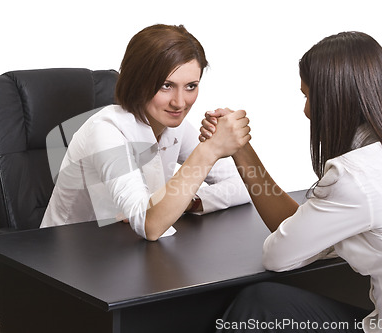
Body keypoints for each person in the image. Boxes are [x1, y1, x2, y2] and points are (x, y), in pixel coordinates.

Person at [201, 32, 382, 332]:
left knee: (259, 302)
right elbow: (299, 227)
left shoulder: (354, 176)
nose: (306, 110)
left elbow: (277, 255)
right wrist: (241, 148)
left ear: (333, 100)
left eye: (307, 95)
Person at [40, 24, 251, 241]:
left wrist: (189, 201)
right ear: (138, 81)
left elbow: (245, 186)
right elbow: (150, 225)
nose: (179, 103)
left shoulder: (172, 125)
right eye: (166, 86)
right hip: (69, 256)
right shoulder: (106, 130)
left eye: (190, 86)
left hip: (128, 249)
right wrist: (209, 151)